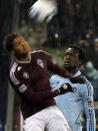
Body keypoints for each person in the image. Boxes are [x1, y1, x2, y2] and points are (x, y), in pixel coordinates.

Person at [4, 33, 83, 131]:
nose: (23, 44)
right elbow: (31, 97)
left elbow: (56, 68)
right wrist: (57, 92)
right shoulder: (15, 74)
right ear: (12, 51)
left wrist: (70, 77)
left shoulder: (41, 55)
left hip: (50, 107)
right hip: (32, 114)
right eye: (18, 44)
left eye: (23, 40)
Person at [50, 46, 96, 131]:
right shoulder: (53, 79)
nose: (67, 57)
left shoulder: (85, 85)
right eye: (66, 54)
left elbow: (90, 116)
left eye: (72, 55)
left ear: (80, 61)